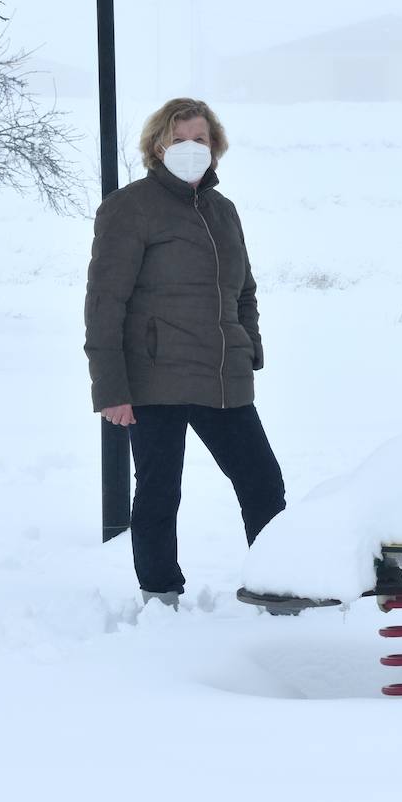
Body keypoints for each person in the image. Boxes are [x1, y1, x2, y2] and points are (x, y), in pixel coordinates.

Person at [84, 98, 285, 608]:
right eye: (179, 140)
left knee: (264, 485)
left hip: (221, 376)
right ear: (158, 146)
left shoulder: (224, 211)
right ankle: (160, 594)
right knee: (159, 492)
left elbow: (244, 292)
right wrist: (111, 387)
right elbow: (105, 303)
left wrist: (247, 350)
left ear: (215, 147)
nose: (191, 149)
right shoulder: (129, 207)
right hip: (153, 379)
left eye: (200, 139)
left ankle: (278, 584)